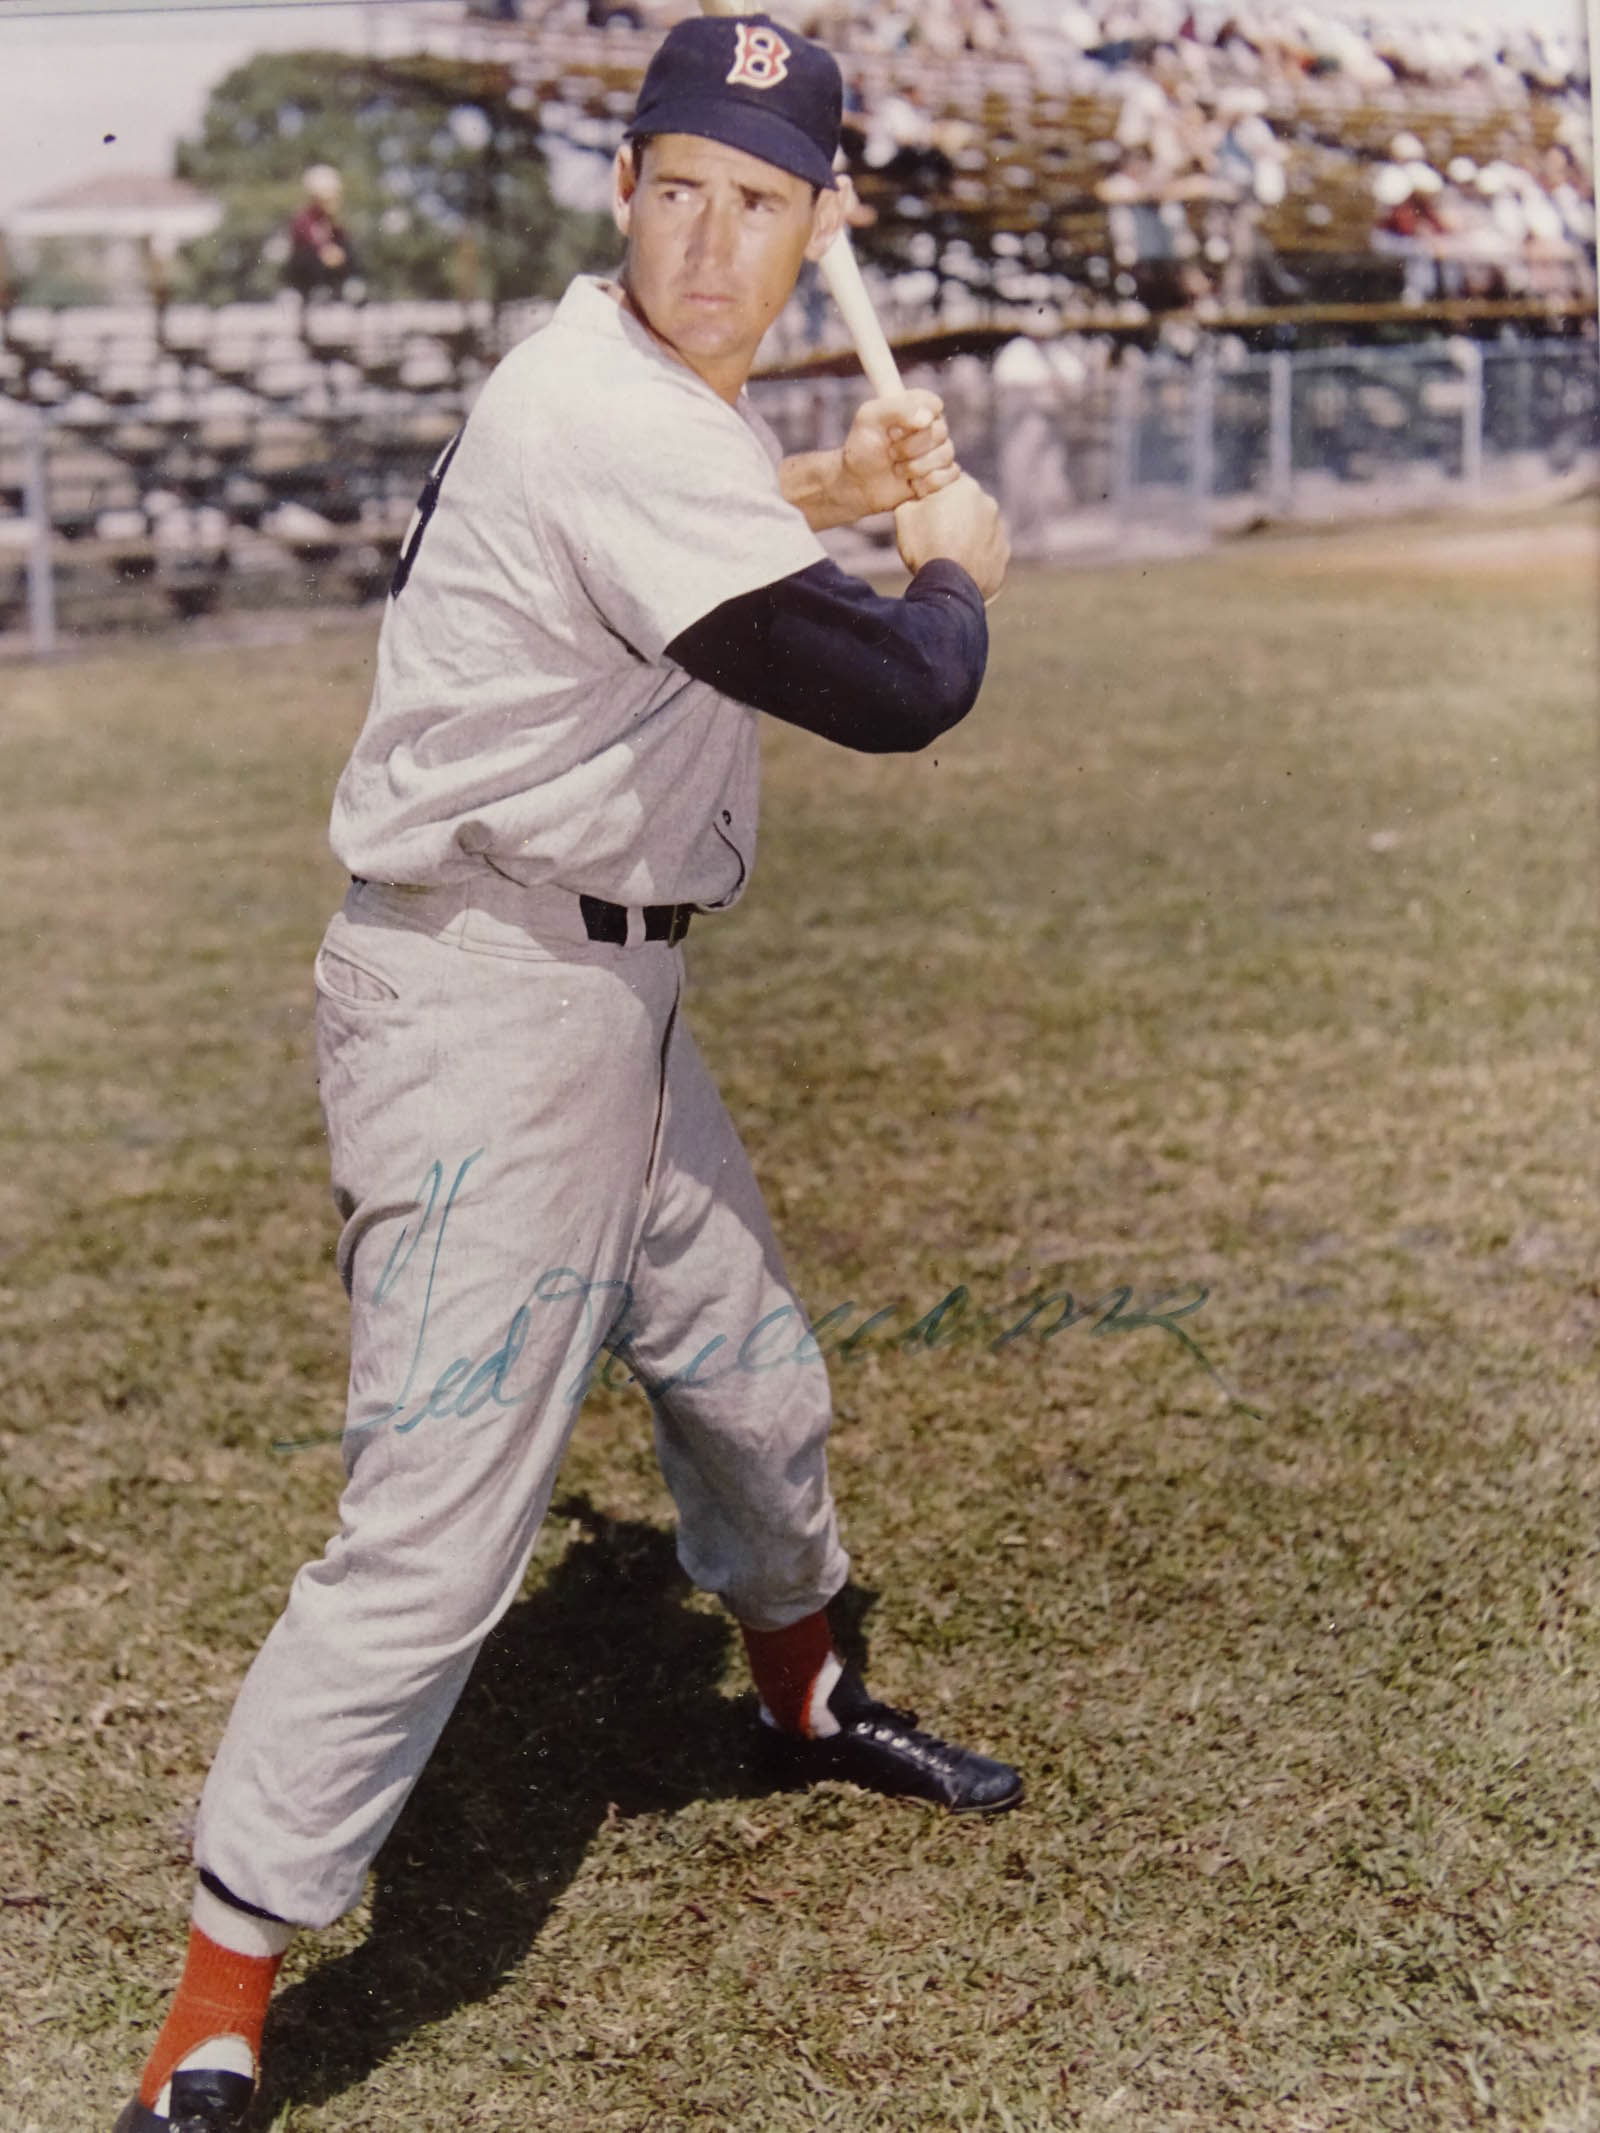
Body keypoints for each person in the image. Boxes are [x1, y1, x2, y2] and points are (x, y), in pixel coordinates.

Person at [112, 14, 1015, 2131]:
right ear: (621, 189)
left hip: (608, 997)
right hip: (480, 1011)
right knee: (434, 1527)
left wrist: (817, 484)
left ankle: (799, 1703)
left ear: (818, 224)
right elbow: (889, 689)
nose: (708, 244)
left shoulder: (630, 397)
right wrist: (950, 553)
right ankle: (212, 2012)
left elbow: (668, 551)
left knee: (751, 1376)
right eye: (674, 192)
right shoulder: (598, 408)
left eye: (758, 205)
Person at [283, 165, 358, 302]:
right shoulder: (304, 218)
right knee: (311, 255)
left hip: (327, 266)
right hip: (307, 272)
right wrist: (329, 253)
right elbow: (317, 246)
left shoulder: (331, 219)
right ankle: (313, 291)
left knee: (347, 247)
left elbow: (342, 244)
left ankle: (349, 288)